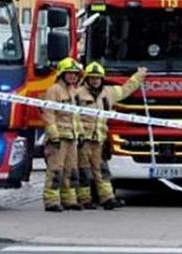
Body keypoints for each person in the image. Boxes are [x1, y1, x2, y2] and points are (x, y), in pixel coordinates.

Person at [75, 62, 147, 210]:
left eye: (98, 78)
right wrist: (78, 135)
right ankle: (84, 199)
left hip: (99, 140)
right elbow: (72, 116)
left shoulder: (109, 92)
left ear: (102, 79)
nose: (95, 80)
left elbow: (127, 89)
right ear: (87, 78)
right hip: (84, 140)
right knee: (84, 170)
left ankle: (107, 198)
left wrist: (138, 77)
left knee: (101, 170)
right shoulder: (78, 94)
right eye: (92, 78)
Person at [42, 57, 83, 212]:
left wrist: (79, 134)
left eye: (75, 74)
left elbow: (76, 116)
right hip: (58, 137)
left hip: (71, 137)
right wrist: (54, 135)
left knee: (71, 169)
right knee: (56, 169)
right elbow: (49, 113)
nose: (73, 76)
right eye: (69, 73)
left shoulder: (73, 91)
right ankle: (51, 200)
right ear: (61, 74)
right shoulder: (54, 90)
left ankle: (69, 200)